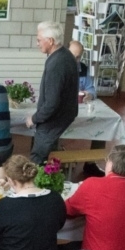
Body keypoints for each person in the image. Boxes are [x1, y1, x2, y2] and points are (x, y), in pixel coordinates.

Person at [26, 21, 79, 164]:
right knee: (49, 159)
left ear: (50, 41)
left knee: (37, 160)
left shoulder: (56, 63)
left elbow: (51, 103)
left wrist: (34, 118)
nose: (37, 43)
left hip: (53, 120)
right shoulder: (66, 55)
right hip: (62, 116)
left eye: (39, 40)